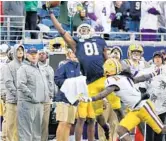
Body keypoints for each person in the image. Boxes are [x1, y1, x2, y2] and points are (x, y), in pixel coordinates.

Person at [48, 9, 116, 141]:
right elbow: (62, 32)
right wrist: (51, 15)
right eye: (82, 30)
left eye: (86, 30)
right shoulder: (76, 45)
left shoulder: (99, 41)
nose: (84, 32)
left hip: (100, 80)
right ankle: (104, 128)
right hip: (88, 86)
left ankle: (109, 128)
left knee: (105, 112)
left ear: (91, 31)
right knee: (85, 118)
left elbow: (106, 60)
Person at [79, 58, 166, 141]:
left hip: (143, 107)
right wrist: (154, 73)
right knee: (121, 130)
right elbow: (141, 78)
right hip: (135, 110)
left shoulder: (112, 80)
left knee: (162, 130)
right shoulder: (124, 77)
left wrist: (90, 99)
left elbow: (104, 93)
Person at [17, 47, 48, 141]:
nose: (34, 56)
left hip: (39, 104)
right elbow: (21, 85)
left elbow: (44, 84)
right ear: (27, 55)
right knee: (26, 133)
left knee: (37, 133)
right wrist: (32, 96)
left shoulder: (41, 68)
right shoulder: (23, 68)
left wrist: (46, 96)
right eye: (31, 54)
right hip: (27, 103)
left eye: (35, 54)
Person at [54, 48, 84, 141]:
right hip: (64, 99)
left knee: (68, 124)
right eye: (73, 53)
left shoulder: (81, 67)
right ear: (69, 54)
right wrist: (70, 83)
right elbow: (57, 79)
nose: (75, 54)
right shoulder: (64, 66)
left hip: (74, 100)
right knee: (62, 122)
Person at [142, 51, 166, 141]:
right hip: (150, 106)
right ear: (153, 59)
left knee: (160, 130)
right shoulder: (148, 71)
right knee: (149, 131)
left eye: (159, 57)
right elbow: (143, 85)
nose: (157, 59)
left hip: (164, 106)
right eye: (155, 57)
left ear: (162, 60)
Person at [4, 44, 25, 141]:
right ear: (13, 52)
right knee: (11, 126)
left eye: (22, 49)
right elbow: (8, 83)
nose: (20, 51)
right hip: (13, 101)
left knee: (21, 128)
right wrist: (18, 96)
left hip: (25, 102)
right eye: (18, 50)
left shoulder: (26, 66)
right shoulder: (9, 66)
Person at [38, 49, 55, 141]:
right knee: (36, 122)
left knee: (45, 122)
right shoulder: (34, 67)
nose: (41, 55)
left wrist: (51, 95)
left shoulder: (50, 69)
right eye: (39, 54)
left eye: (43, 54)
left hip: (47, 99)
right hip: (37, 99)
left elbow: (52, 83)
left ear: (46, 56)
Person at [0, 44, 11, 141]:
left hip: (12, 95)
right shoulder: (5, 66)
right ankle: (4, 137)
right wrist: (3, 93)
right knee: (6, 117)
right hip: (7, 95)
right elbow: (2, 81)